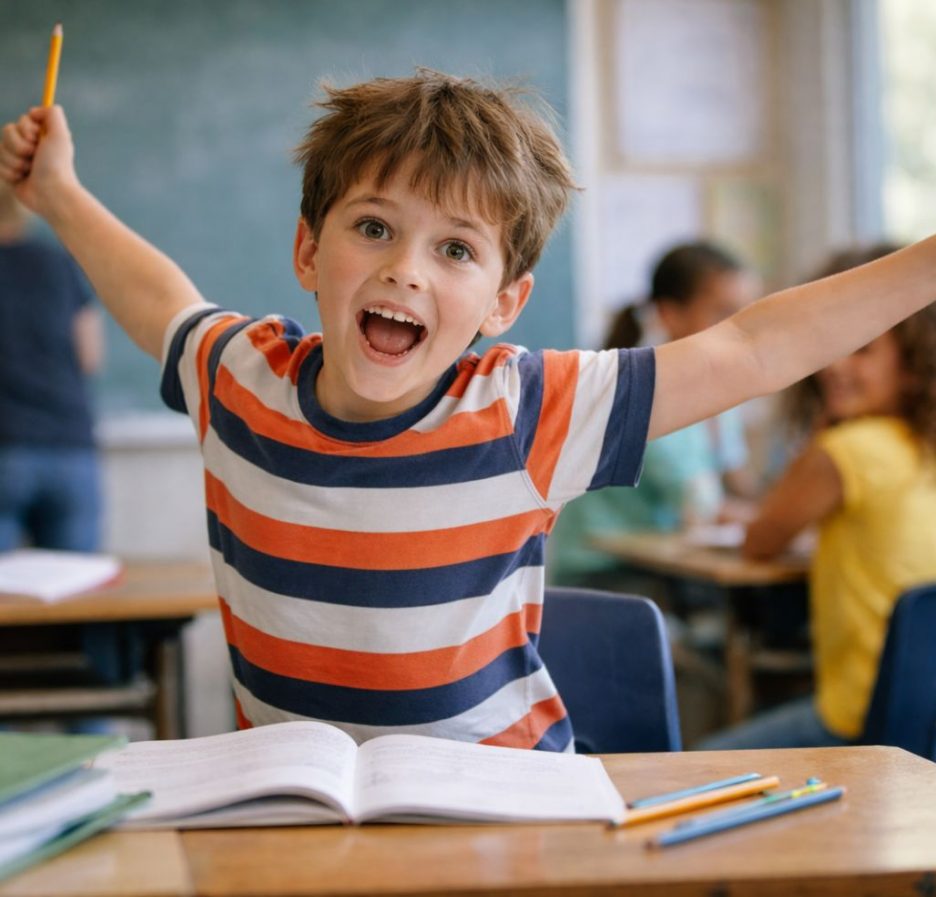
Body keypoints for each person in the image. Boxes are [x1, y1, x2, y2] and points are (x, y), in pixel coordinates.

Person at [2, 72, 935, 752]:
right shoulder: (240, 381)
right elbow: (159, 298)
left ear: (504, 302)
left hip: (497, 816)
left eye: (456, 249)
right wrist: (59, 195)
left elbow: (753, 348)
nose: (404, 269)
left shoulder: (527, 408)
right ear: (307, 250)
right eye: (373, 227)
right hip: (295, 819)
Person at [697, 244, 936, 750]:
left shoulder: (848, 450)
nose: (836, 365)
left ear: (914, 365)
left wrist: (823, 432)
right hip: (924, 719)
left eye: (863, 349)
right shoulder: (920, 448)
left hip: (860, 717)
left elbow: (759, 543)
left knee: (698, 760)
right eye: (835, 345)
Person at [548, 241, 760, 589]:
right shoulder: (645, 389)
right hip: (603, 570)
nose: (739, 328)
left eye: (745, 313)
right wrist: (785, 518)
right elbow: (702, 504)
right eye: (723, 312)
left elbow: (735, 478)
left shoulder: (720, 389)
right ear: (669, 314)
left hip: (663, 562)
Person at [0, 182, 103, 553]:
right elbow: (90, 357)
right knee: (74, 583)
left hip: (5, 443)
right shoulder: (60, 264)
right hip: (68, 443)